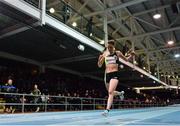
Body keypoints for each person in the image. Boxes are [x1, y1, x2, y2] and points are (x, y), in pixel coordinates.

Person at [97, 40, 134, 116]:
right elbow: (99, 65)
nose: (109, 49)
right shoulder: (105, 54)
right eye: (108, 47)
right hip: (107, 75)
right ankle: (120, 93)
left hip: (114, 74)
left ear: (113, 47)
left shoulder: (118, 53)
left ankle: (107, 110)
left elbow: (126, 60)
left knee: (110, 92)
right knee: (110, 92)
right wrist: (99, 60)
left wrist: (131, 55)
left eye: (111, 47)